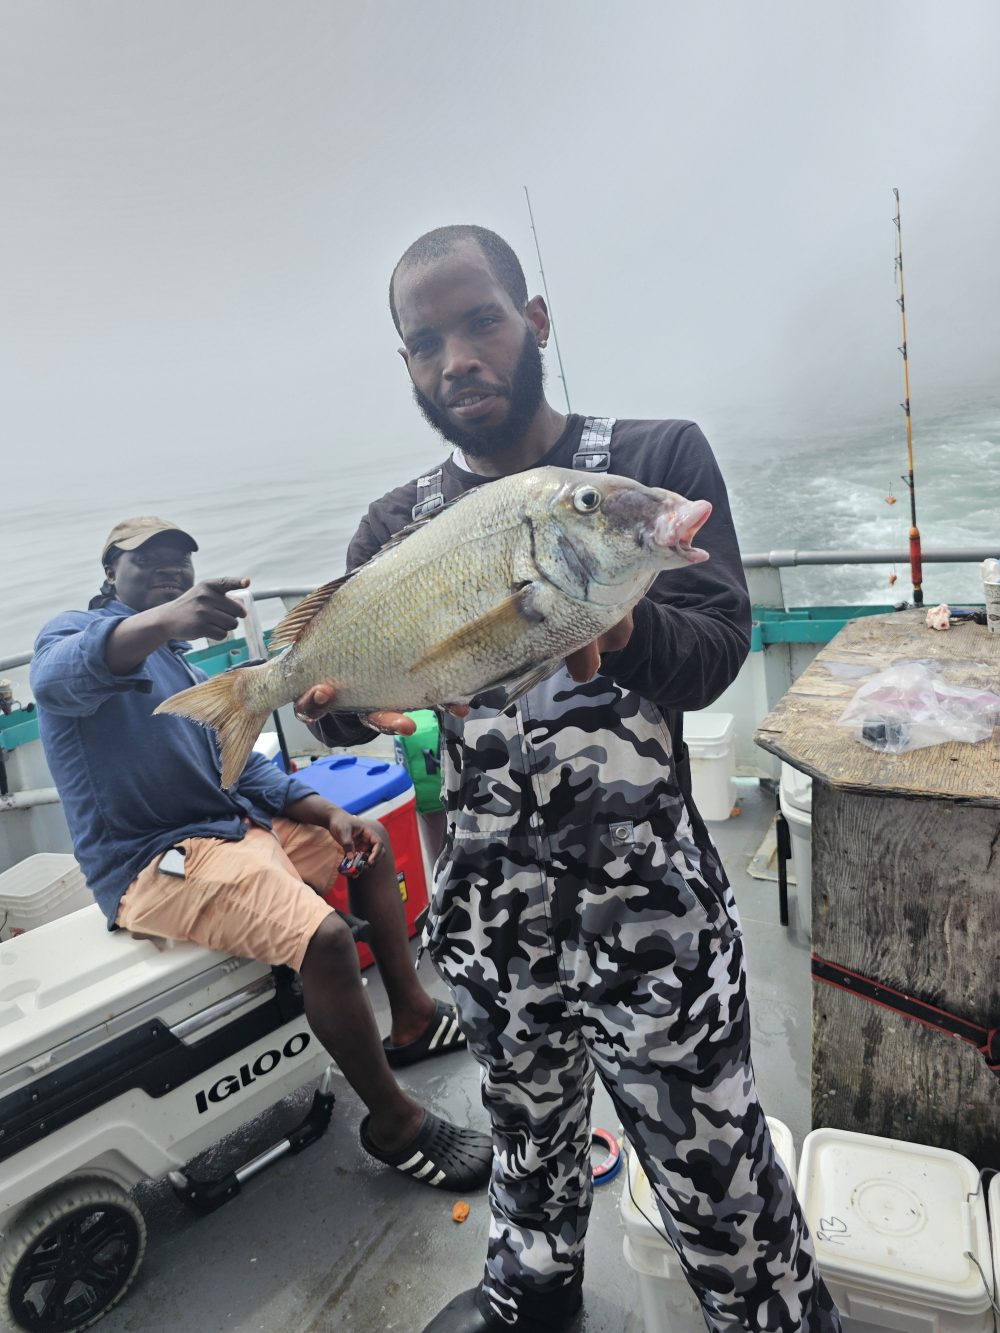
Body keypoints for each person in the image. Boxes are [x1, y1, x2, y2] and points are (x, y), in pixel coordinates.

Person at [296, 226, 842, 1332]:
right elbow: (354, 702)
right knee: (527, 1157)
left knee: (720, 1181)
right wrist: (339, 702)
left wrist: (622, 629)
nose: (457, 358)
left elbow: (719, 646)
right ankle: (528, 1300)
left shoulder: (647, 461)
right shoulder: (393, 528)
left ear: (534, 321)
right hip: (492, 924)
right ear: (406, 369)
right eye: (425, 343)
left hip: (654, 919)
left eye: (480, 322)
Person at [29, 515, 491, 1193]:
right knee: (327, 940)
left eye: (178, 561)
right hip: (154, 863)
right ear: (109, 574)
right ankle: (393, 1121)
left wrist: (331, 813)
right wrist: (163, 619)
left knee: (368, 841)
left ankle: (412, 1017)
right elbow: (56, 679)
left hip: (229, 827)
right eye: (147, 560)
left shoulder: (179, 663)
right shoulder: (73, 635)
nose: (167, 570)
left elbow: (242, 771)